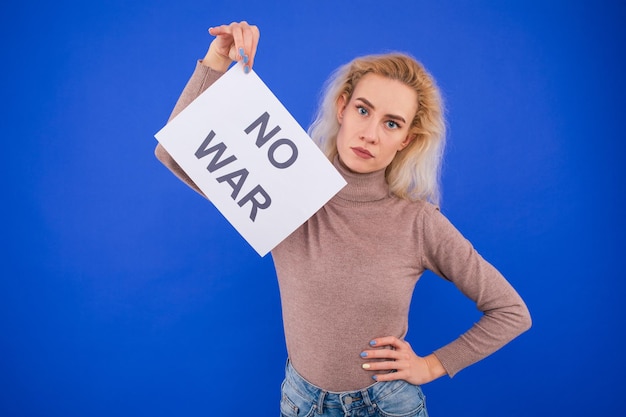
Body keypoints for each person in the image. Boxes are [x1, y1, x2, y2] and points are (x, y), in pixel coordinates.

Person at [155, 21, 531, 417]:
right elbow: (173, 153)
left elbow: (510, 312)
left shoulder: (418, 222)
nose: (370, 133)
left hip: (386, 406)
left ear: (406, 139)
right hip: (301, 404)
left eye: (391, 123)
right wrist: (217, 60)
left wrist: (433, 365)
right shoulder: (290, 191)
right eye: (363, 110)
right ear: (343, 107)